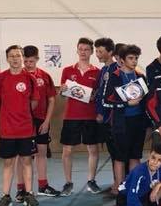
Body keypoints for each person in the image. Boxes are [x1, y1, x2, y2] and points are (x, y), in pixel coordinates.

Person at [0, 45, 39, 206]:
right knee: (8, 162)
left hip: (26, 128)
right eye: (11, 56)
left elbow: (34, 101)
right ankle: (6, 196)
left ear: (22, 58)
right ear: (7, 59)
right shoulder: (0, 78)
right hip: (7, 129)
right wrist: (9, 113)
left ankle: (29, 193)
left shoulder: (30, 78)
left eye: (18, 55)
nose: (15, 59)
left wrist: (22, 113)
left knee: (27, 161)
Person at [101, 44, 150, 191]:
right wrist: (126, 103)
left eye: (136, 58)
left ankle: (132, 187)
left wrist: (148, 123)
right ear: (122, 59)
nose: (134, 61)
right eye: (131, 58)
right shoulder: (114, 76)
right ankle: (119, 188)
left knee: (135, 156)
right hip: (121, 123)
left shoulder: (140, 77)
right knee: (120, 157)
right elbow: (105, 101)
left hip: (138, 122)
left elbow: (147, 101)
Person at [59, 37, 102, 195]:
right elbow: (63, 94)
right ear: (77, 50)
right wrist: (63, 90)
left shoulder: (97, 72)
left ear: (91, 52)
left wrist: (96, 99)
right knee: (67, 151)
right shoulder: (67, 70)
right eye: (81, 49)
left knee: (93, 149)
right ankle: (68, 182)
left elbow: (99, 95)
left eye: (86, 49)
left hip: (90, 116)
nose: (83, 52)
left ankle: (91, 181)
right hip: (71, 116)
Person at [22, 45, 59, 198]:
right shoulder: (19, 75)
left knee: (41, 152)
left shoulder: (45, 76)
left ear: (37, 59)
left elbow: (51, 100)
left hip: (41, 120)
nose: (28, 64)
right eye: (25, 61)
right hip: (23, 122)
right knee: (23, 156)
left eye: (31, 61)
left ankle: (43, 185)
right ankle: (22, 189)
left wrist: (47, 121)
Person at [93, 37, 119, 193]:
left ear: (110, 52)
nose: (97, 54)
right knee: (112, 152)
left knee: (117, 154)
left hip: (113, 118)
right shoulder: (103, 70)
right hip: (103, 118)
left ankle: (119, 185)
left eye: (100, 51)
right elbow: (99, 93)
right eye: (96, 51)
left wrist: (105, 113)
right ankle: (116, 182)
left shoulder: (117, 69)